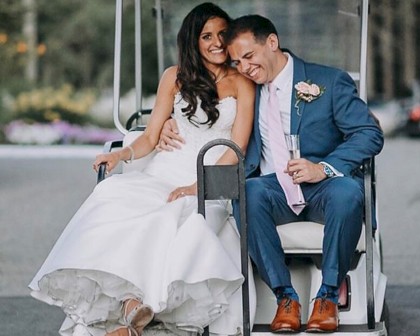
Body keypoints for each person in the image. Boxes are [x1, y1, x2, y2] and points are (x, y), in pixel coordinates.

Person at [29, 3, 255, 336]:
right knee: (116, 196)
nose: (216, 42)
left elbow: (238, 149)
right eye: (207, 36)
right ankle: (131, 304)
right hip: (165, 171)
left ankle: (141, 312)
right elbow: (150, 136)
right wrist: (122, 155)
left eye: (223, 34)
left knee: (174, 217)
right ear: (193, 41)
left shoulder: (241, 83)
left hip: (211, 175)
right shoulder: (173, 76)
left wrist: (198, 185)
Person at [159, 14, 384, 333]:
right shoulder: (246, 88)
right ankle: (286, 298)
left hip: (323, 187)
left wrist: (322, 168)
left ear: (273, 43)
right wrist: (170, 119)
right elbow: (208, 112)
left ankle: (328, 297)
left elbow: (369, 133)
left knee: (348, 192)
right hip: (272, 188)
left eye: (249, 56)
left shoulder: (328, 81)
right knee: (247, 191)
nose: (246, 67)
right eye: (237, 62)